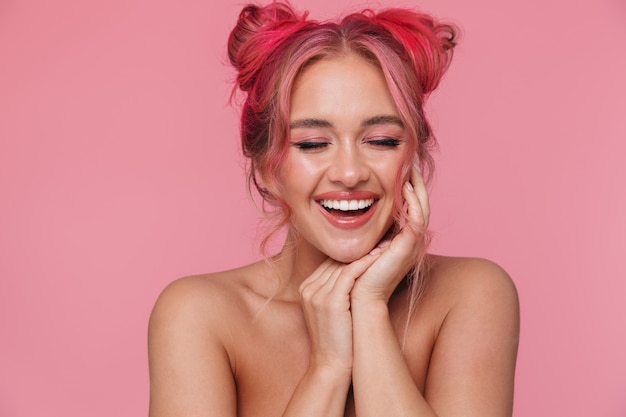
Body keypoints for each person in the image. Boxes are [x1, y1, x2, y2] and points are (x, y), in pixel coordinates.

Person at [148, 2, 520, 416]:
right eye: (312, 144)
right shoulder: (199, 316)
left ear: (413, 157)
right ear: (268, 168)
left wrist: (370, 309)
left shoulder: (471, 294)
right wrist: (327, 368)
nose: (349, 172)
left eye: (381, 141)